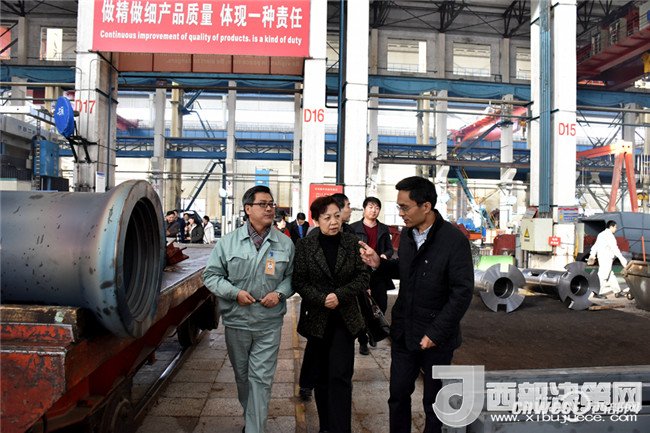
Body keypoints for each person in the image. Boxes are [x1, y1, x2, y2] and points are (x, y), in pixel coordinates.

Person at [359, 176, 473, 433]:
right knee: (398, 396)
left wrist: (436, 332)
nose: (400, 213)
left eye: (405, 207)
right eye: (399, 207)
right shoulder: (409, 235)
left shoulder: (454, 241)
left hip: (437, 338)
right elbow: (406, 268)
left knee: (434, 402)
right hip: (404, 332)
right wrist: (379, 263)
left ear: (426, 206)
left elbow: (462, 292)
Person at [203, 185, 294, 433]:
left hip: (268, 323)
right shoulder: (228, 243)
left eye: (271, 204)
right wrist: (235, 293)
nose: (269, 209)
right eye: (263, 204)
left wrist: (279, 293)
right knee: (243, 378)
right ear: (247, 209)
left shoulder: (285, 244)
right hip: (237, 322)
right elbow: (211, 276)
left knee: (261, 380)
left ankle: (255, 428)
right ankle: (252, 420)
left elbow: (291, 277)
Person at [294, 195, 370, 433]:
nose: (334, 222)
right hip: (317, 320)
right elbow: (299, 281)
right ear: (316, 220)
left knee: (340, 376)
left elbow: (363, 276)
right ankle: (326, 426)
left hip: (345, 319)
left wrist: (339, 295)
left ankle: (341, 428)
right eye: (327, 218)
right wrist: (321, 298)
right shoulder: (305, 246)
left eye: (337, 216)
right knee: (321, 378)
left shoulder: (352, 242)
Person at [350, 196, 395, 355]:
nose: (373, 210)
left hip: (378, 272)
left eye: (376, 208)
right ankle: (363, 340)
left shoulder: (383, 228)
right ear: (364, 209)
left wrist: (384, 256)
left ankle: (373, 332)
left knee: (380, 305)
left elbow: (389, 249)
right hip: (361, 272)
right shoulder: (353, 228)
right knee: (362, 308)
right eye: (370, 207)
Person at [588, 220, 628, 298]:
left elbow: (595, 246)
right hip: (606, 258)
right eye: (615, 227)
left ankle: (617, 291)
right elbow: (615, 249)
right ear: (611, 227)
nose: (616, 229)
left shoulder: (601, 234)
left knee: (610, 275)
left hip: (602, 257)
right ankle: (597, 292)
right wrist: (622, 260)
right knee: (603, 275)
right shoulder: (610, 236)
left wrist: (592, 255)